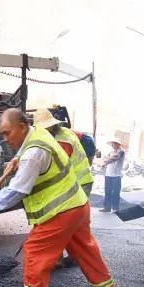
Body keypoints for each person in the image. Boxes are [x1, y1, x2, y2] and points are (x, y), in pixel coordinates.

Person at [0, 108, 121, 287]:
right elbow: (31, 155)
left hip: (60, 210)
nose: (4, 139)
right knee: (86, 251)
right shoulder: (38, 135)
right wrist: (17, 160)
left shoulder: (33, 153)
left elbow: (15, 193)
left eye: (7, 133)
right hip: (77, 205)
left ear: (22, 127)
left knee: (35, 250)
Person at [33, 108, 94, 269]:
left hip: (78, 182)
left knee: (62, 220)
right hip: (74, 181)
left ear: (52, 126)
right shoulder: (60, 134)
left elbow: (55, 168)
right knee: (64, 221)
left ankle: (66, 258)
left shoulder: (62, 141)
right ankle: (66, 257)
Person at [100, 138, 125, 212]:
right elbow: (105, 158)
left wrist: (106, 162)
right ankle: (107, 207)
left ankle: (115, 208)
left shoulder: (121, 152)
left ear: (118, 144)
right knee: (107, 191)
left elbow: (115, 158)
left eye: (114, 143)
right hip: (108, 174)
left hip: (116, 175)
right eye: (112, 143)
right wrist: (106, 160)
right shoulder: (110, 152)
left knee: (116, 192)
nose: (112, 145)